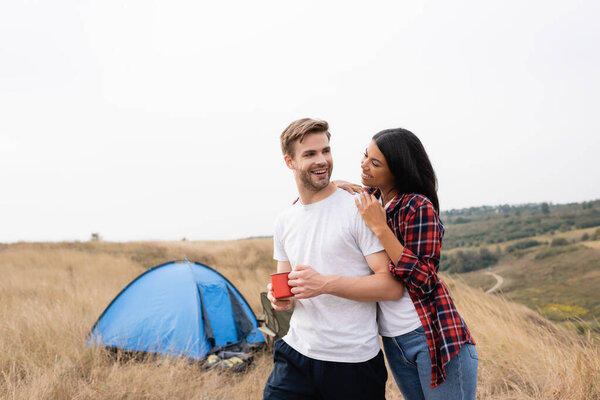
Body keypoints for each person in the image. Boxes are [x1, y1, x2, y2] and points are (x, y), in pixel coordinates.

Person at [263, 118, 404, 400]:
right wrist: (281, 298)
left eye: (326, 151)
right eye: (310, 154)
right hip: (295, 353)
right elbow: (288, 288)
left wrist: (325, 284)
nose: (322, 160)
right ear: (290, 162)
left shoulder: (359, 208)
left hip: (352, 363)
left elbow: (391, 287)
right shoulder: (284, 221)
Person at [333, 128, 478, 400]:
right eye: (366, 155)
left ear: (397, 171)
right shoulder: (369, 200)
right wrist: (332, 188)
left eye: (376, 163)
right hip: (394, 341)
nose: (364, 164)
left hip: (432, 336)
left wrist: (380, 228)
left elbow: (424, 278)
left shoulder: (416, 206)